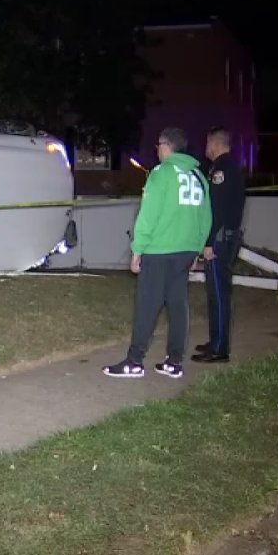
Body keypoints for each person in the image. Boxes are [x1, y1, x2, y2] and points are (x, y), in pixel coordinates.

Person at [103, 127, 212, 379]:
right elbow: (206, 217)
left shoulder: (161, 173)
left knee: (147, 306)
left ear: (166, 146)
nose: (157, 151)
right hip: (185, 250)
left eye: (158, 146)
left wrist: (137, 249)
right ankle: (174, 362)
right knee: (178, 305)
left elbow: (148, 214)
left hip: (160, 250)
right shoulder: (199, 176)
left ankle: (134, 361)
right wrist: (196, 249)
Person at [192, 127, 247, 364]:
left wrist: (209, 243)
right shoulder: (227, 167)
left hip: (219, 240)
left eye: (207, 143)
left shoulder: (222, 170)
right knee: (215, 294)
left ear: (215, 143)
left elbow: (217, 210)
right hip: (224, 238)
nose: (205, 148)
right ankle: (215, 341)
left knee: (219, 294)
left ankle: (220, 349)